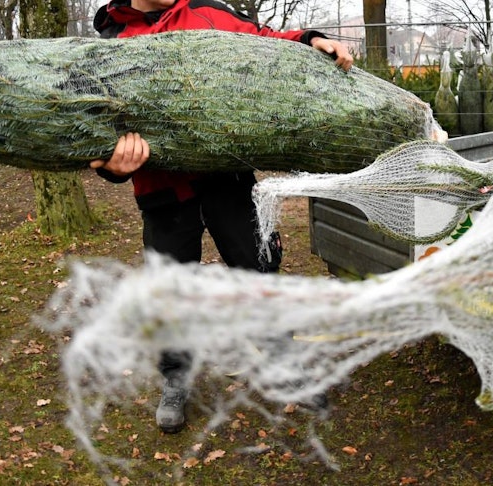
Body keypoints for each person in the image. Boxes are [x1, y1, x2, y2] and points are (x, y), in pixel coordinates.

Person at [90, 0, 354, 434]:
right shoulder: (110, 43)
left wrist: (313, 41)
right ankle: (176, 377)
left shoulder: (207, 12)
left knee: (259, 270)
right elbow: (94, 126)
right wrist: (109, 166)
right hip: (161, 192)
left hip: (227, 180)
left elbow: (266, 42)